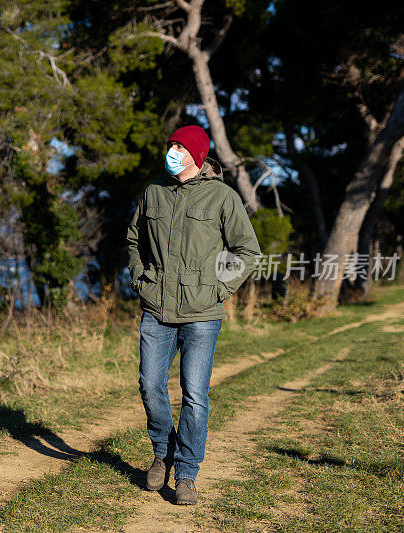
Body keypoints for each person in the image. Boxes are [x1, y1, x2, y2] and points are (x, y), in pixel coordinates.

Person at [125, 125, 261, 505]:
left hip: (202, 312)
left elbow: (247, 251)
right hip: (157, 307)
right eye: (170, 145)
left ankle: (186, 473)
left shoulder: (222, 197)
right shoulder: (154, 193)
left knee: (195, 395)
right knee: (151, 386)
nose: (172, 152)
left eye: (180, 147)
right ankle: (161, 452)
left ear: (197, 156)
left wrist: (220, 289)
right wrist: (140, 279)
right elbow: (134, 240)